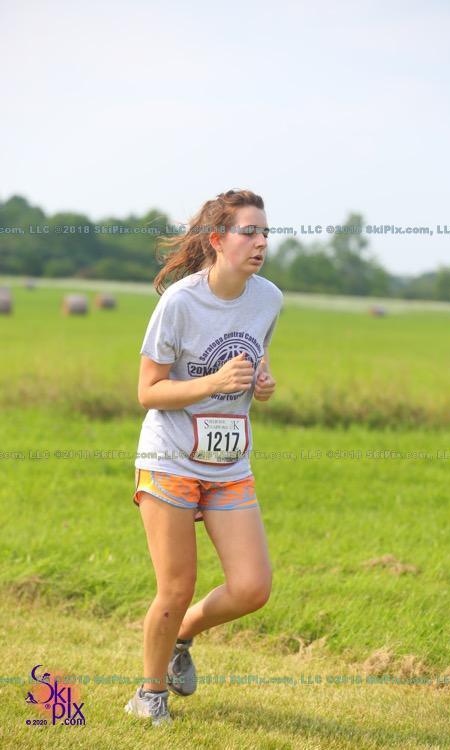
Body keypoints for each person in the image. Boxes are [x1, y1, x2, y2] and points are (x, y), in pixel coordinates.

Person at [124, 189, 284, 726]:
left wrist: (262, 381)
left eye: (265, 232)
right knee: (175, 588)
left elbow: (256, 357)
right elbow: (147, 391)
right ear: (217, 239)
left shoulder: (269, 298)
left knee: (252, 587)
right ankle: (149, 696)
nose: (261, 242)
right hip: (169, 458)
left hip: (229, 462)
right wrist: (213, 382)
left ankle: (182, 636)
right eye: (248, 231)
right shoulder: (180, 302)